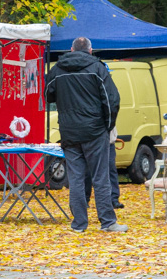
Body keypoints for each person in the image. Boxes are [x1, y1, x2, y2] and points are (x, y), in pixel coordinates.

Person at [46, 37, 125, 232]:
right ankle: (107, 221)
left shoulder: (57, 69)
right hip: (94, 131)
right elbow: (112, 99)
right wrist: (107, 125)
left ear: (71, 49)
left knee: (76, 178)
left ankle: (79, 224)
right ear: (91, 50)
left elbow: (47, 94)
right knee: (100, 177)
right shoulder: (97, 68)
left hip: (69, 132)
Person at [85, 127, 122, 210]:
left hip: (108, 141)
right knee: (88, 172)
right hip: (93, 142)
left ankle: (114, 199)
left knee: (111, 169)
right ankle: (85, 199)